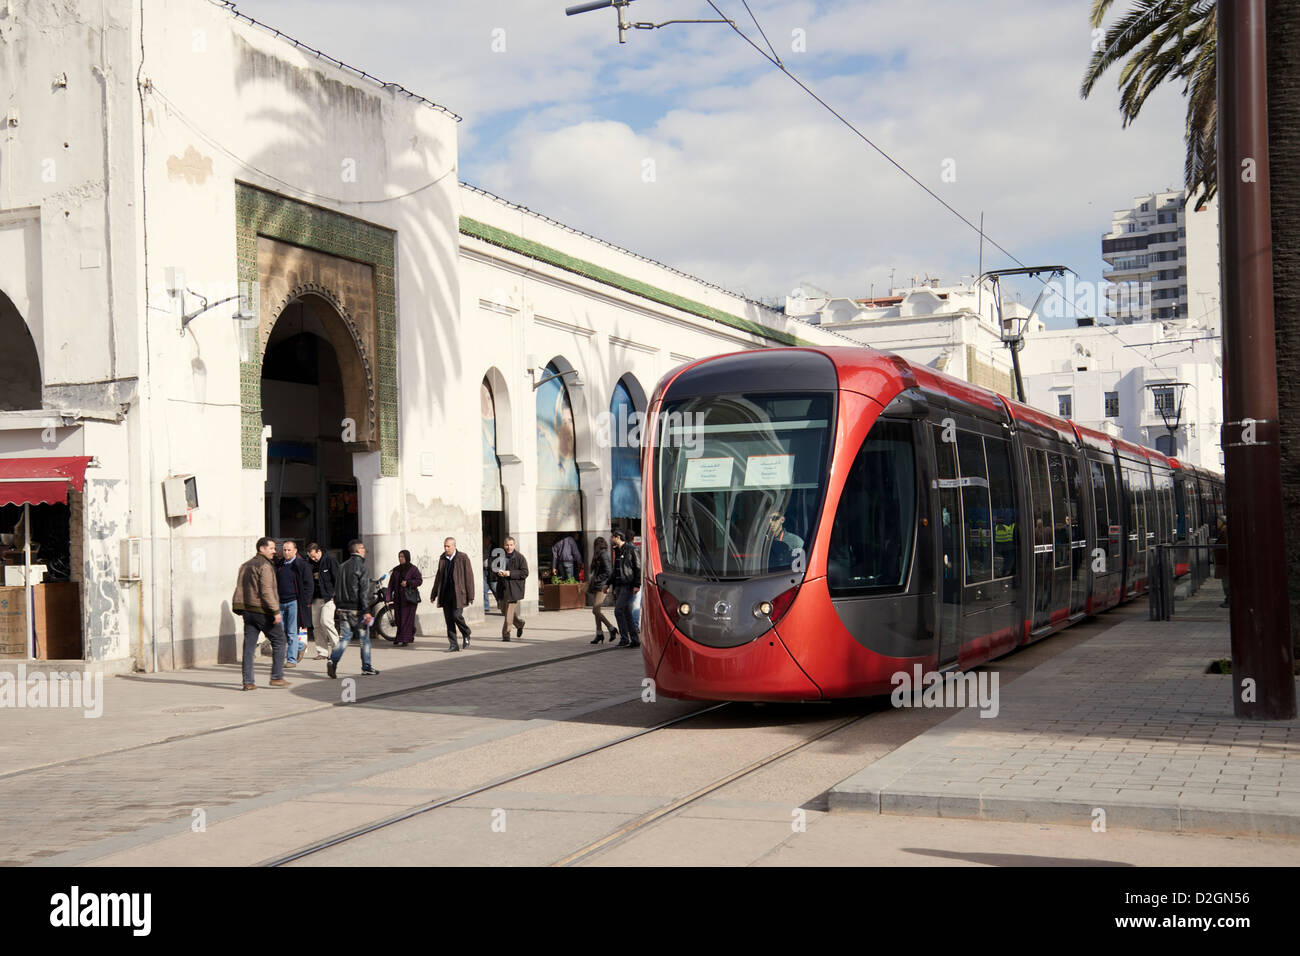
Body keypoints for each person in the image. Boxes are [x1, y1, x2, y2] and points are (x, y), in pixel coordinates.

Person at [231, 537, 289, 690]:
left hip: (248, 611)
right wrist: (275, 611)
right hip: (261, 611)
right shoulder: (265, 566)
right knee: (279, 640)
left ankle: (248, 682)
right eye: (271, 548)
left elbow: (240, 587)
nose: (274, 551)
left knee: (249, 648)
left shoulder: (245, 565)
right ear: (261, 549)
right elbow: (266, 590)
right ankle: (277, 677)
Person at [327, 539, 379, 678]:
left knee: (344, 637)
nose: (364, 551)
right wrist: (367, 611)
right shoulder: (362, 567)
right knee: (364, 639)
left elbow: (337, 588)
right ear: (357, 550)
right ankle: (366, 667)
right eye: (362, 548)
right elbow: (363, 591)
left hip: (343, 608)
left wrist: (338, 606)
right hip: (357, 609)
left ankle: (333, 660)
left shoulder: (342, 566)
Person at [431, 536, 474, 651]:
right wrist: (434, 593)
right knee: (449, 620)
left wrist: (471, 595)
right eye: (445, 546)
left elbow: (469, 577)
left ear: (454, 546)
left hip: (458, 594)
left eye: (448, 546)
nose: (446, 548)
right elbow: (438, 577)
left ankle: (466, 632)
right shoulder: (443, 558)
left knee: (456, 616)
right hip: (445, 594)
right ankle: (453, 644)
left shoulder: (462, 558)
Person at [275, 540, 313, 666]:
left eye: (289, 550)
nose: (286, 552)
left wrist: (306, 602)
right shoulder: (280, 564)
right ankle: (300, 645)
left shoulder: (301, 565)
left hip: (294, 602)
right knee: (281, 631)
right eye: (284, 550)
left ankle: (291, 660)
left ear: (295, 551)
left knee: (292, 631)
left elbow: (309, 585)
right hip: (281, 602)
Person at [306, 542, 341, 661]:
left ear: (319, 551)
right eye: (310, 556)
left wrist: (335, 596)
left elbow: (338, 579)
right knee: (316, 625)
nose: (313, 558)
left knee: (326, 621)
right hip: (315, 598)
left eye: (314, 556)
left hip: (328, 598)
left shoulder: (330, 561)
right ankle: (322, 651)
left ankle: (337, 647)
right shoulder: (309, 563)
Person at [610, 528, 641, 648]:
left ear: (617, 537)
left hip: (627, 584)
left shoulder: (632, 549)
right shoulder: (617, 551)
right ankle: (634, 639)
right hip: (618, 585)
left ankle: (624, 638)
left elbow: (638, 568)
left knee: (618, 611)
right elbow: (615, 570)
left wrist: (636, 585)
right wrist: (608, 583)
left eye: (612, 537)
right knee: (627, 613)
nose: (611, 539)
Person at [493, 536, 528, 641]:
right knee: (504, 611)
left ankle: (506, 633)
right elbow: (493, 569)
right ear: (504, 545)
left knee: (509, 612)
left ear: (514, 545)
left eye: (511, 545)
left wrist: (510, 573)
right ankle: (519, 624)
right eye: (507, 545)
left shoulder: (520, 557)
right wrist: (497, 572)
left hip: (514, 589)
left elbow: (525, 573)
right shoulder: (500, 557)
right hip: (503, 588)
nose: (509, 547)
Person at [386, 550, 424, 646]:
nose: (400, 558)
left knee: (406, 619)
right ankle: (408, 632)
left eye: (402, 556)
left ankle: (404, 639)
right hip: (398, 599)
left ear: (407, 557)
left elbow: (419, 580)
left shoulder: (413, 569)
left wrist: (408, 583)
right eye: (399, 556)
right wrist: (388, 598)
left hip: (409, 599)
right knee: (398, 619)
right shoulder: (396, 570)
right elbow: (391, 585)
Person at [586, 536, 619, 645]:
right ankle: (599, 634)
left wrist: (598, 579)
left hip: (602, 586)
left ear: (597, 546)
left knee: (595, 610)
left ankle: (611, 628)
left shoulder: (603, 555)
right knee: (597, 611)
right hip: (597, 585)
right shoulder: (600, 555)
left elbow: (609, 572)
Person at [1213, 515, 1229, 608]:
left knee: (1226, 582)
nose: (1217, 523)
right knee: (1225, 581)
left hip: (1225, 563)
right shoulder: (1223, 532)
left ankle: (1229, 599)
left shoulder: (1225, 532)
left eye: (1218, 521)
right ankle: (1228, 598)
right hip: (1223, 562)